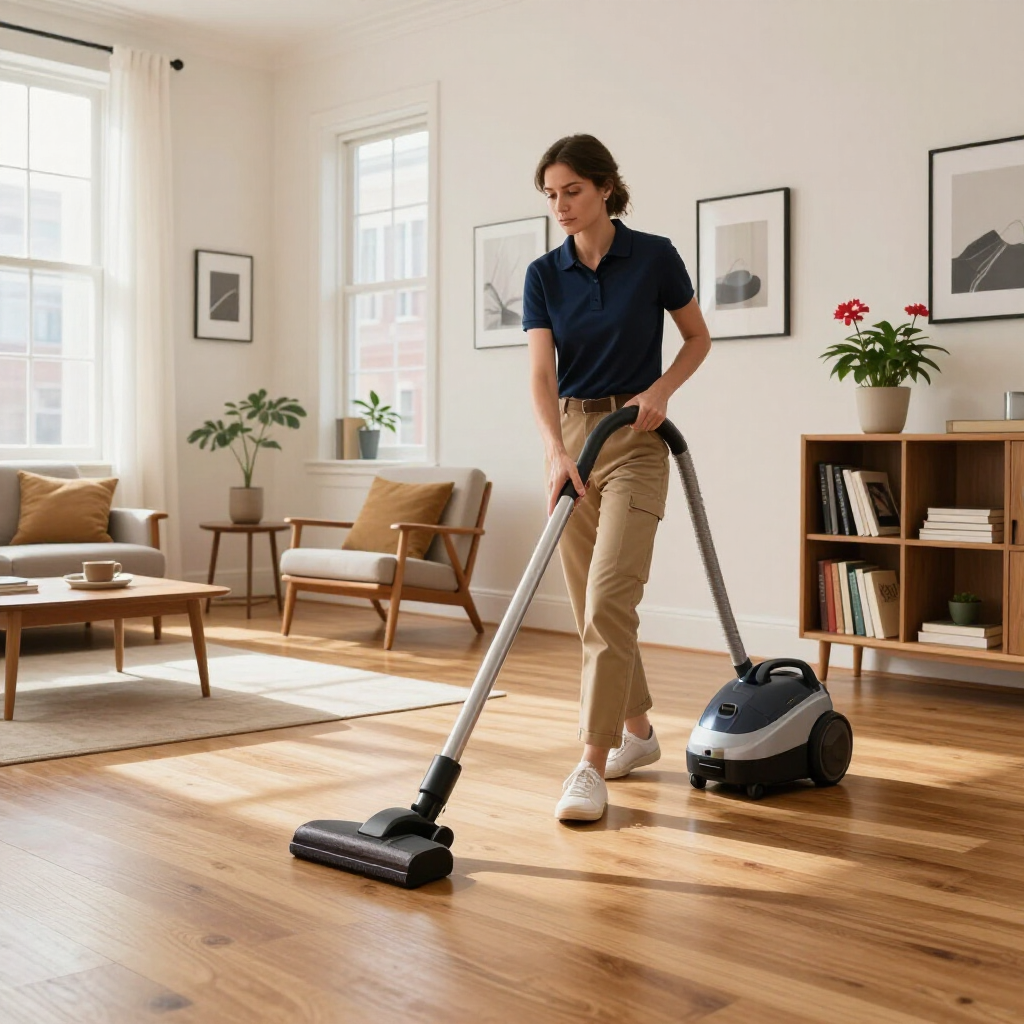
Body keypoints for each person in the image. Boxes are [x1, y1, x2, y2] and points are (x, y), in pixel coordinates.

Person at [523, 134, 712, 822]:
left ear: (605, 187)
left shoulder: (654, 256)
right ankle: (637, 735)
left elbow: (697, 337)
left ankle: (589, 765)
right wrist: (553, 451)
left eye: (572, 190)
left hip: (636, 441)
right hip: (573, 444)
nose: (561, 206)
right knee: (587, 610)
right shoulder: (544, 273)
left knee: (609, 599)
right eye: (550, 195)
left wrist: (661, 392)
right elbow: (542, 375)